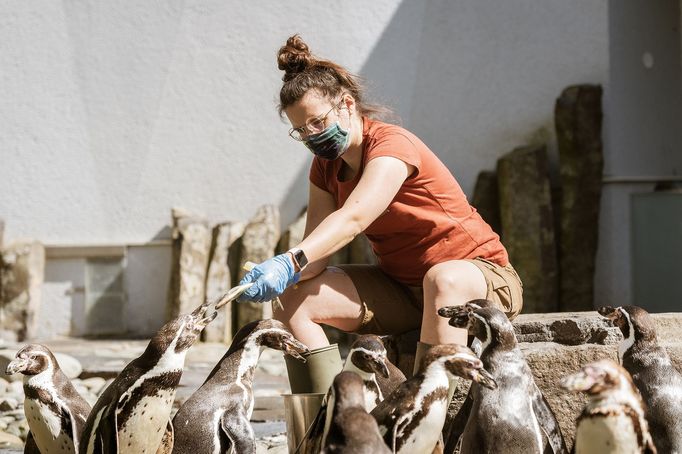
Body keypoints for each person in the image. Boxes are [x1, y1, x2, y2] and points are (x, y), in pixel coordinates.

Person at [237, 34, 523, 396]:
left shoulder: (391, 145)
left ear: (346, 104)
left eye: (317, 122)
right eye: (301, 130)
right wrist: (280, 272)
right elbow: (314, 259)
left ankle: (424, 424)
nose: (312, 136)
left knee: (442, 278)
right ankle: (333, 422)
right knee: (291, 299)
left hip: (480, 279)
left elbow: (354, 219)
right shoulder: (324, 168)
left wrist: (289, 260)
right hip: (405, 290)